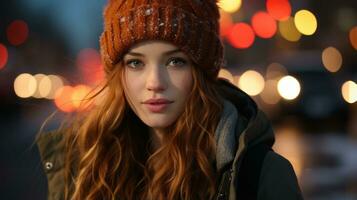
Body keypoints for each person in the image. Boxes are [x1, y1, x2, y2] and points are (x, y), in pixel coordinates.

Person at [36, 0, 304, 199]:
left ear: (201, 70)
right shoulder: (84, 167)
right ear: (118, 74)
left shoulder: (261, 176)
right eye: (135, 63)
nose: (154, 83)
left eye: (175, 61)